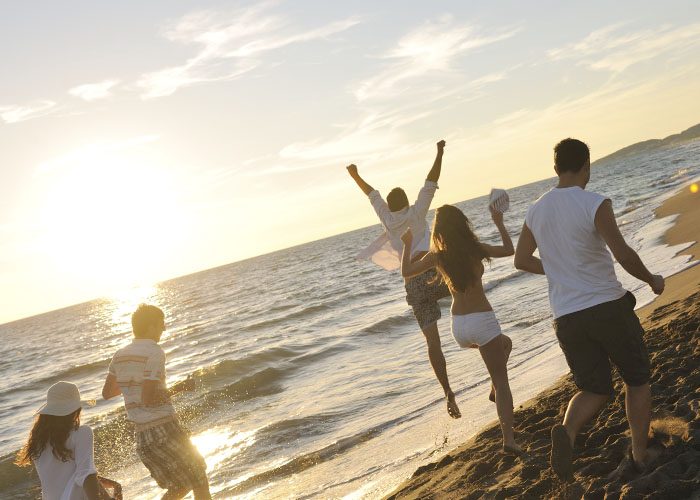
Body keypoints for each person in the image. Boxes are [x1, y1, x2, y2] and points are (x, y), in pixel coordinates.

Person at [514, 138, 665, 480]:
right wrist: (652, 278)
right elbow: (623, 254)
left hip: (566, 317)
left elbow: (521, 260)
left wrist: (557, 269)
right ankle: (640, 453)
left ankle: (567, 432)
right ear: (586, 166)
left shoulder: (535, 210)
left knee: (594, 388)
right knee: (637, 379)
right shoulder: (593, 203)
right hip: (607, 307)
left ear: (555, 168)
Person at [347, 140, 461, 418]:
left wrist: (354, 175)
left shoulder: (386, 217)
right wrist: (439, 153)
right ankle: (483, 344)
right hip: (433, 272)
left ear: (389, 205)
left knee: (432, 343)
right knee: (468, 298)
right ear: (406, 202)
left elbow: (371, 193)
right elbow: (431, 181)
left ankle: (448, 392)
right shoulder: (417, 211)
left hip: (412, 281)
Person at [400, 204, 522, 454]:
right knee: (502, 380)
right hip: (482, 320)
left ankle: (493, 390)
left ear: (439, 230)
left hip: (459, 328)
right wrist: (498, 221)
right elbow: (510, 250)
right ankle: (509, 440)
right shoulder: (475, 249)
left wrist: (407, 243)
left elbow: (406, 271)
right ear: (463, 225)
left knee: (505, 344)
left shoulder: (437, 256)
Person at [101, 304, 211, 499]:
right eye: (161, 324)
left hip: (143, 437)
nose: (164, 328)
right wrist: (182, 387)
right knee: (199, 478)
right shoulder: (155, 352)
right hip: (164, 429)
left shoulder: (119, 355)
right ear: (151, 327)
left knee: (179, 486)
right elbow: (149, 398)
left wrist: (133, 381)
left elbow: (107, 392)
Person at [15, 381, 114, 499]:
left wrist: (112, 486)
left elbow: (74, 475)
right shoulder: (82, 433)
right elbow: (86, 475)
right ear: (76, 409)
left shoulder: (38, 443)